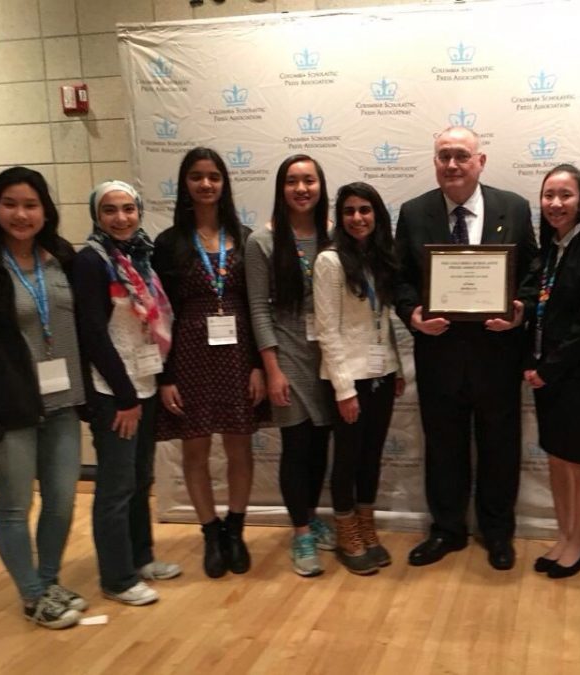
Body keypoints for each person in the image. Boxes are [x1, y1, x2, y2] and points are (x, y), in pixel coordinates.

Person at [394, 126, 539, 571]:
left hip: (497, 353)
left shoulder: (512, 207)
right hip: (438, 354)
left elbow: (533, 272)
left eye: (461, 156)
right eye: (443, 156)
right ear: (434, 161)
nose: (452, 165)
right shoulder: (413, 212)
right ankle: (447, 529)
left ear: (481, 161)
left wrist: (521, 310)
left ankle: (497, 533)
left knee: (499, 446)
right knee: (443, 446)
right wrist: (412, 315)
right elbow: (399, 277)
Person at [153, 147, 266, 579]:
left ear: (224, 183)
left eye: (214, 176)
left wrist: (259, 364)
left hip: (240, 354)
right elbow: (159, 314)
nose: (206, 184)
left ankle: (235, 529)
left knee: (239, 444)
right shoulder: (168, 243)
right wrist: (165, 376)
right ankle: (210, 532)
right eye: (197, 176)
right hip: (189, 354)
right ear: (185, 183)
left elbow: (259, 305)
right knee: (195, 447)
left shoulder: (245, 234)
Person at [73, 181, 182, 606]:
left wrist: (154, 383)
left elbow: (157, 324)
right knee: (116, 487)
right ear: (96, 216)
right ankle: (117, 579)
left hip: (146, 382)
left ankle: (142, 558)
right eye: (109, 210)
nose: (120, 217)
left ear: (138, 211)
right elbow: (94, 337)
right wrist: (125, 398)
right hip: (114, 392)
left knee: (140, 479)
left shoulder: (142, 256)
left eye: (128, 209)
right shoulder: (90, 261)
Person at [0, 167, 86, 628]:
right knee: (14, 507)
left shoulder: (62, 258)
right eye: (10, 203)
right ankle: (32, 596)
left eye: (30, 204)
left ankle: (48, 582)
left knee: (62, 500)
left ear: (45, 210)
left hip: (63, 400)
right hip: (11, 408)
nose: (21, 214)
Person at [245, 154, 336, 577]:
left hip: (330, 357)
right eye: (293, 181)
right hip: (288, 357)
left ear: (321, 187)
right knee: (297, 447)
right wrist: (272, 368)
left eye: (309, 181)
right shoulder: (262, 242)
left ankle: (313, 515)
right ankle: (300, 533)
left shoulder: (335, 236)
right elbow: (258, 311)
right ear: (281, 189)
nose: (302, 189)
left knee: (320, 447)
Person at [314, 182, 405, 575]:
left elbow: (383, 321)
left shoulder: (380, 259)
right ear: (340, 216)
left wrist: (396, 367)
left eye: (365, 210)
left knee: (371, 457)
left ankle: (366, 529)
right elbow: (327, 331)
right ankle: (346, 533)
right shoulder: (330, 262)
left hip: (380, 375)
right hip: (347, 379)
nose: (357, 218)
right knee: (348, 459)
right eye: (349, 211)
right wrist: (344, 389)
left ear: (377, 215)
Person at [523, 164, 580, 579]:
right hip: (544, 374)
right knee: (556, 460)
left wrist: (549, 369)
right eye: (549, 195)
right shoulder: (549, 249)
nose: (556, 203)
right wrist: (531, 365)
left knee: (578, 462)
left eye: (565, 195)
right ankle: (564, 534)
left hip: (575, 376)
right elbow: (536, 311)